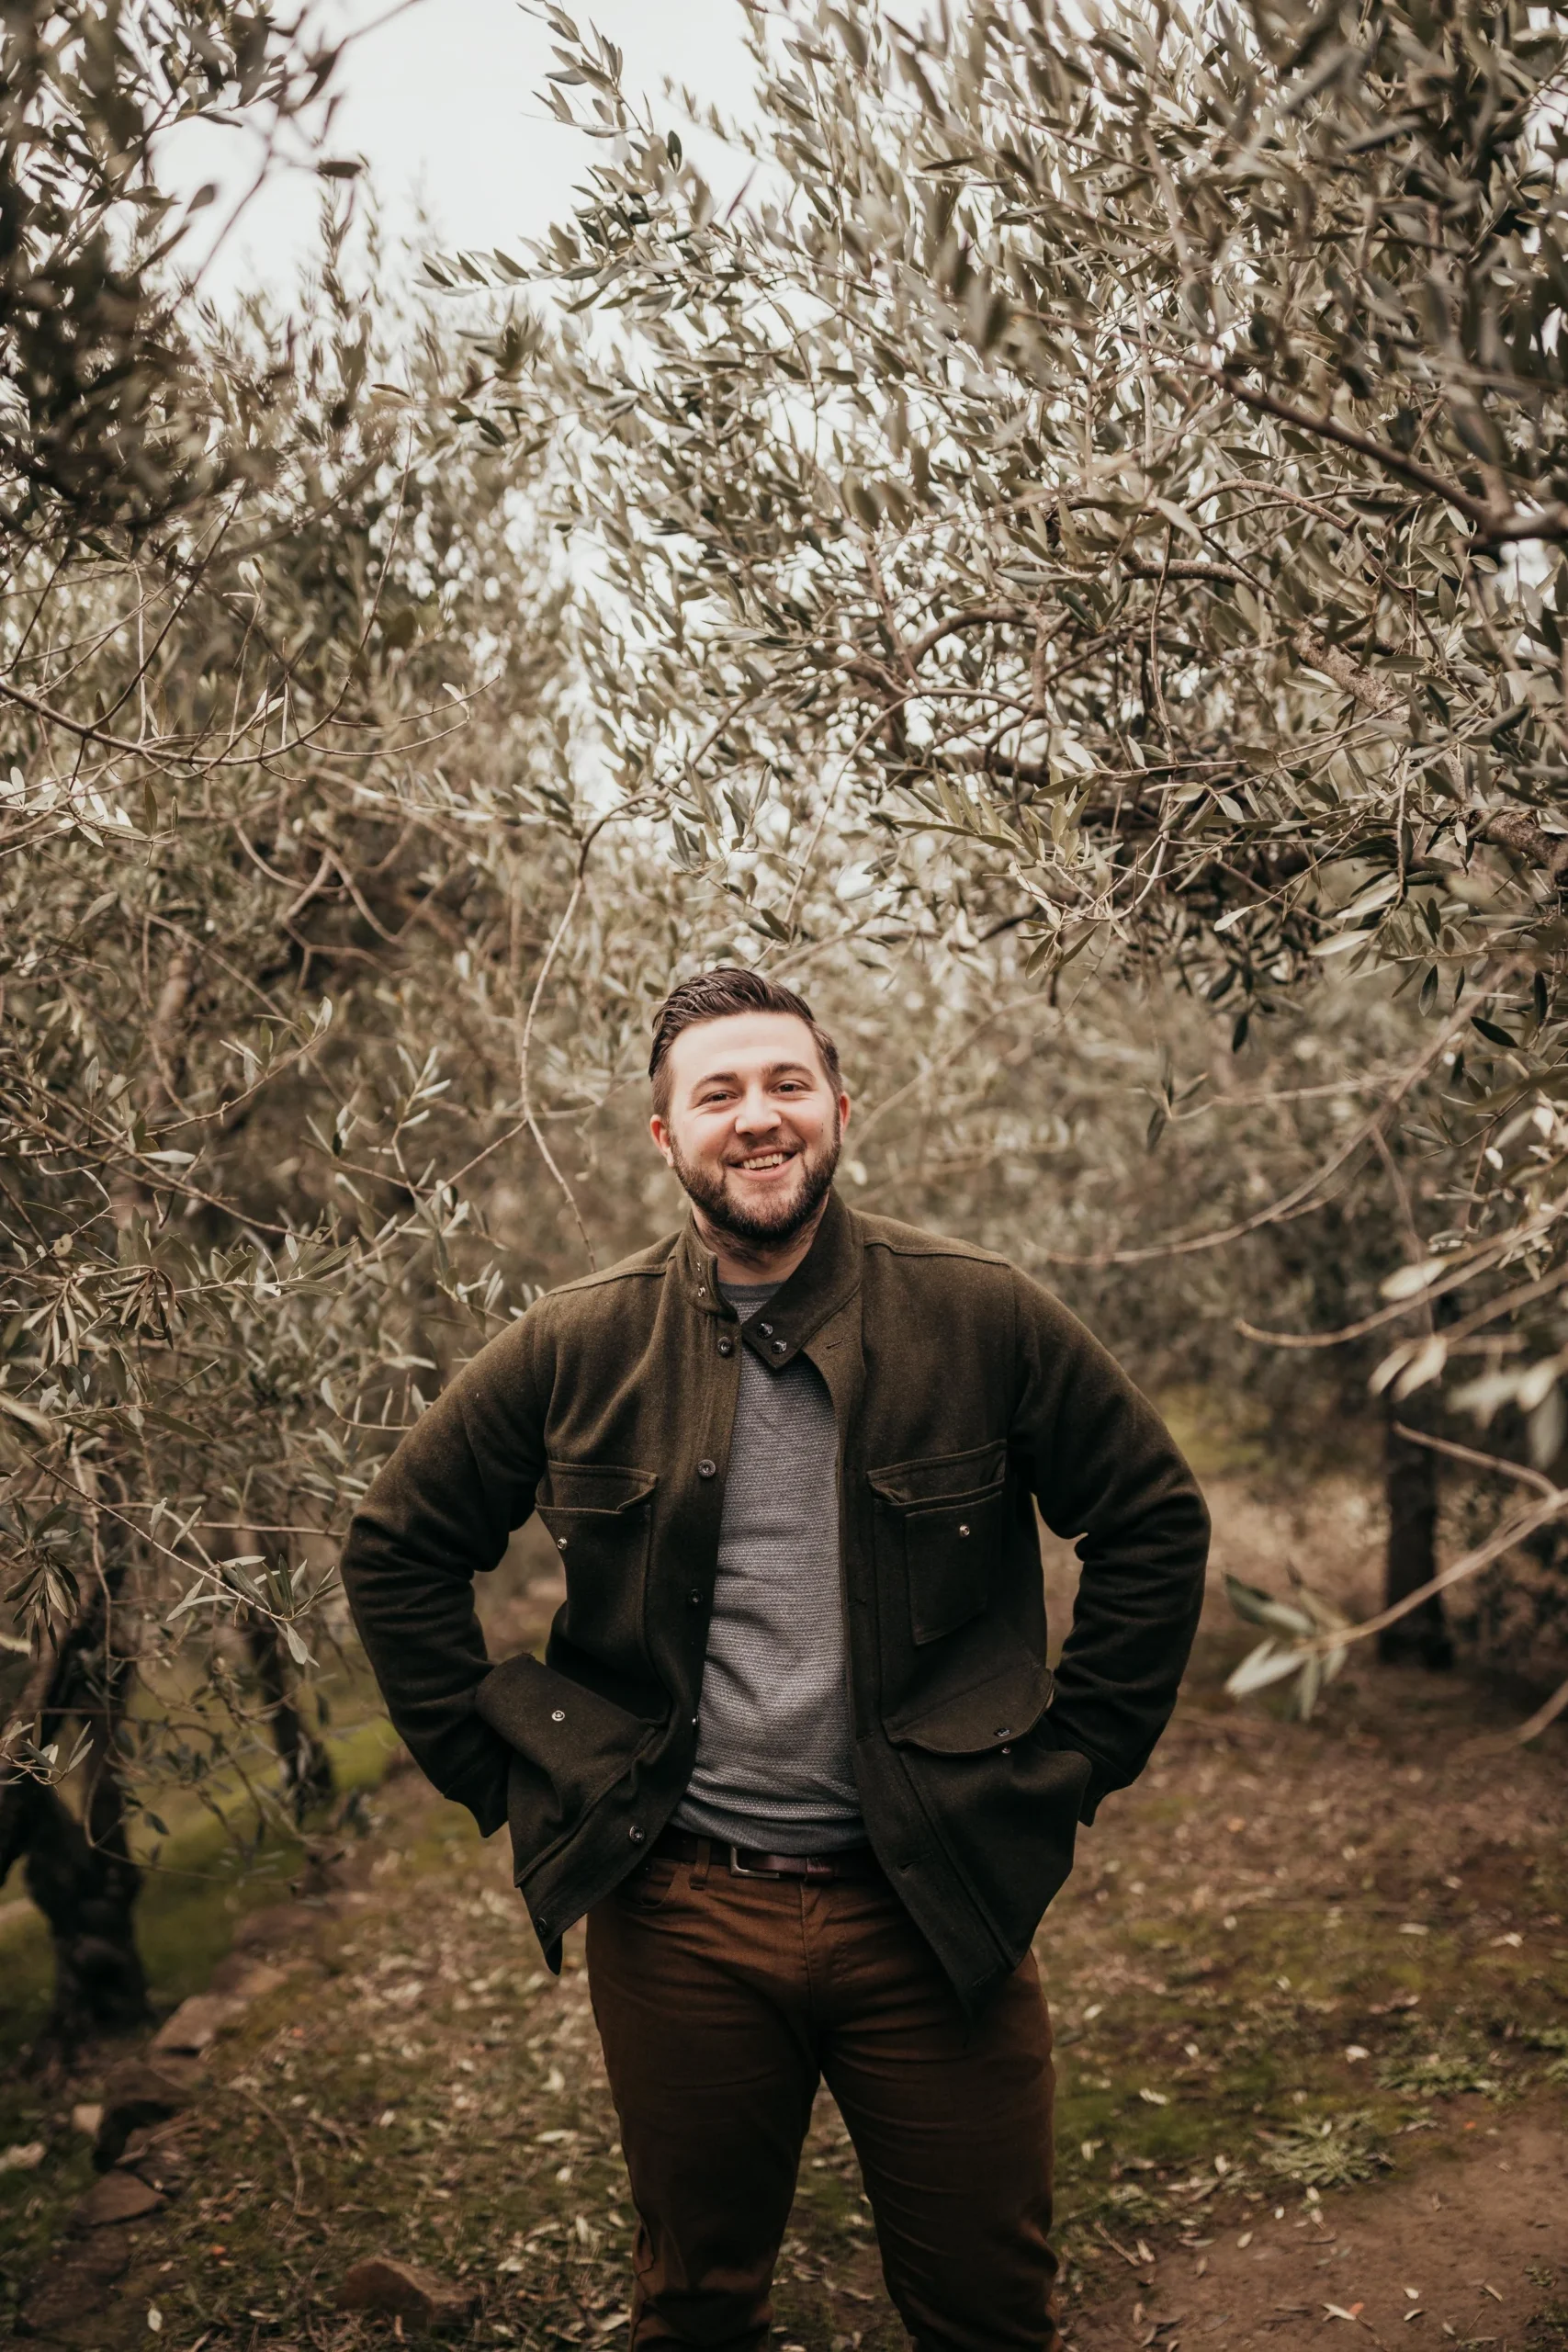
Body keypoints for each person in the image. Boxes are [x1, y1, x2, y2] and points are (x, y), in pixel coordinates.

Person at [341, 966, 1210, 2352]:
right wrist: (503, 1770)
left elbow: (1150, 1517)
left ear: (839, 1107)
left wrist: (1079, 1754)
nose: (757, 1117)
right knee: (696, 2306)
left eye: (787, 1083)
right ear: (665, 1134)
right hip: (681, 1915)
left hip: (934, 1902)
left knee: (989, 2310)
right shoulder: (580, 1341)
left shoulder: (979, 1313)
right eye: (719, 1094)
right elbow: (399, 1542)